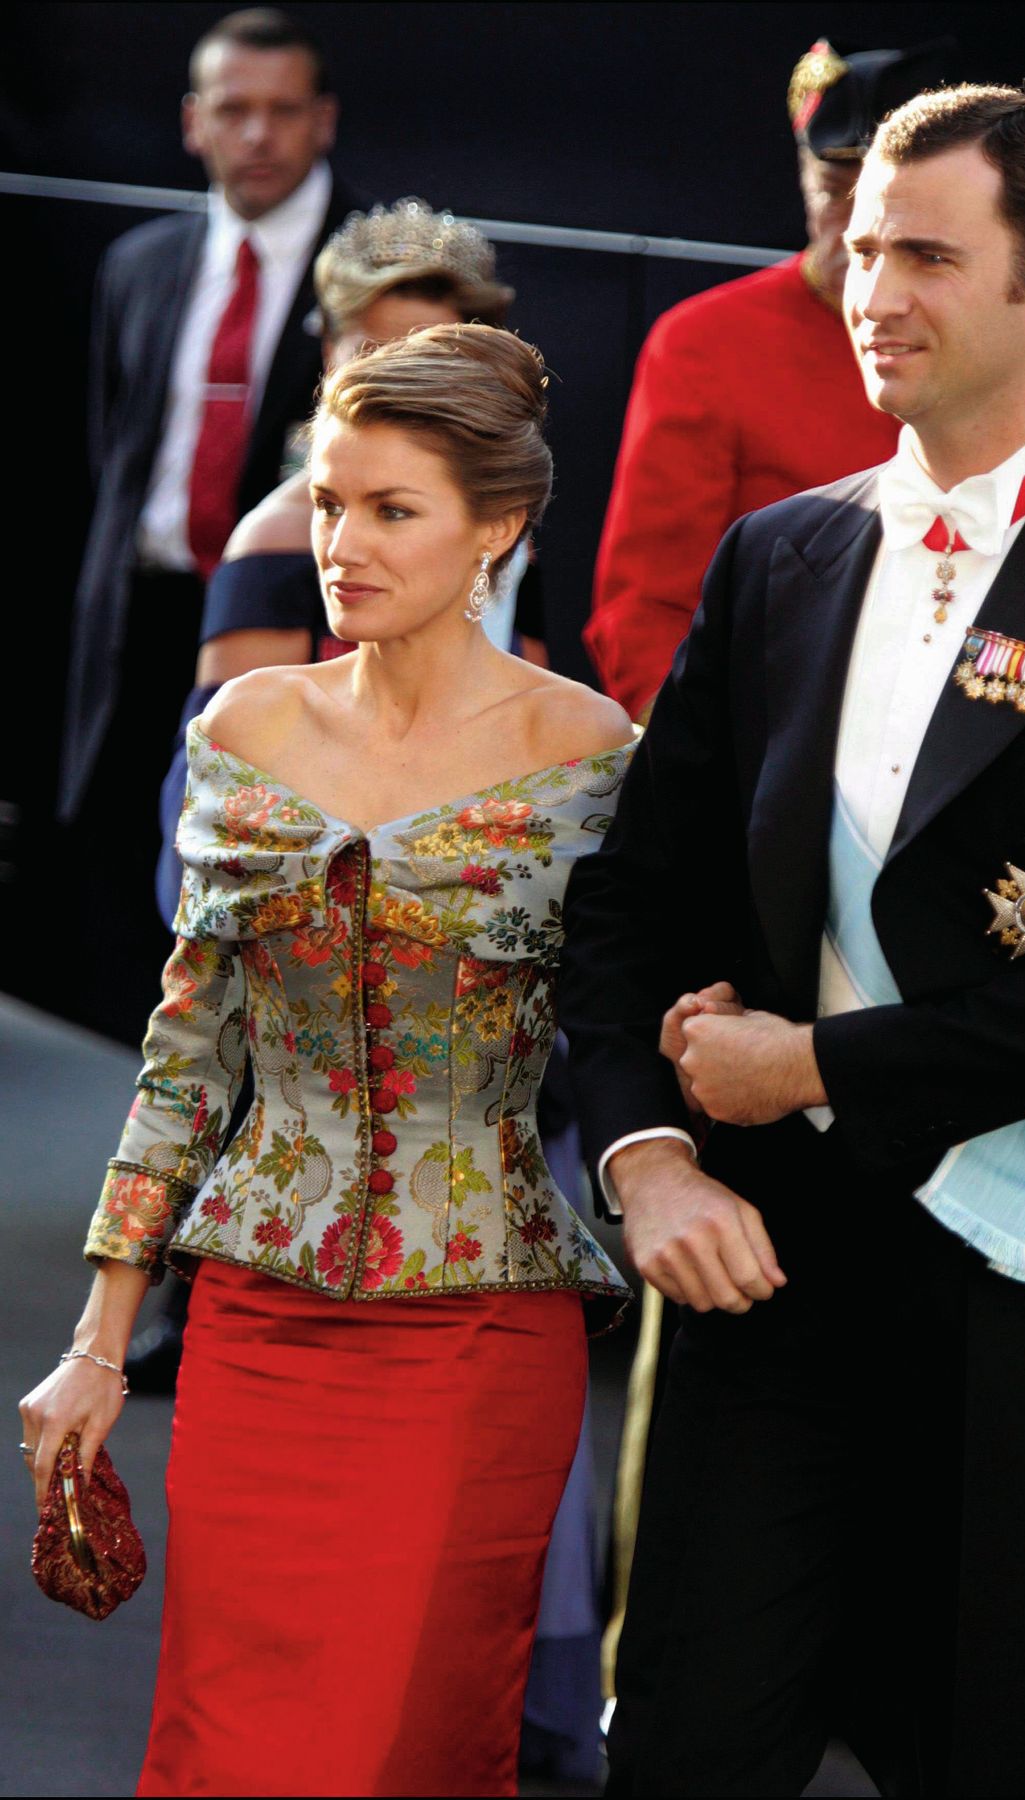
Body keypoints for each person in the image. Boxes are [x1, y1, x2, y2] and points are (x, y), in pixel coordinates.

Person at [21, 323, 635, 1799]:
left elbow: (629, 1023)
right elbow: (184, 1059)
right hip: (255, 1329)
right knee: (230, 1740)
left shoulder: (601, 756)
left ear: (501, 528)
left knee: (401, 1741)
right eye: (327, 504)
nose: (341, 547)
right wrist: (102, 1340)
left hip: (479, 1335)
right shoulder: (246, 724)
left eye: (391, 510)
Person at [560, 85, 1025, 1798]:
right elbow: (635, 903)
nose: (878, 292)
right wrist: (646, 1161)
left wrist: (817, 1065)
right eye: (864, 249)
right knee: (689, 1752)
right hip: (769, 1282)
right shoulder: (780, 555)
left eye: (931, 254)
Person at [59, 6, 361, 1044]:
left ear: (323, 120)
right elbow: (113, 451)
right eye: (235, 111)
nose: (259, 136)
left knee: (261, 888)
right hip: (139, 616)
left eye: (283, 111)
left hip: (286, 620)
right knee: (121, 879)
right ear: (194, 122)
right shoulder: (139, 264)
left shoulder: (375, 272)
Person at [153, 197, 519, 934]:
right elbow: (228, 799)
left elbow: (527, 737)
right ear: (328, 352)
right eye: (374, 350)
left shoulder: (504, 535)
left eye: (431, 354)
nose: (402, 381)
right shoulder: (280, 541)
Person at [585, 38, 954, 720]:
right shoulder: (704, 345)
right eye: (836, 192)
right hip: (770, 737)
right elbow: (644, 610)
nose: (859, 229)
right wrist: (706, 769)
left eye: (891, 199)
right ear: (801, 179)